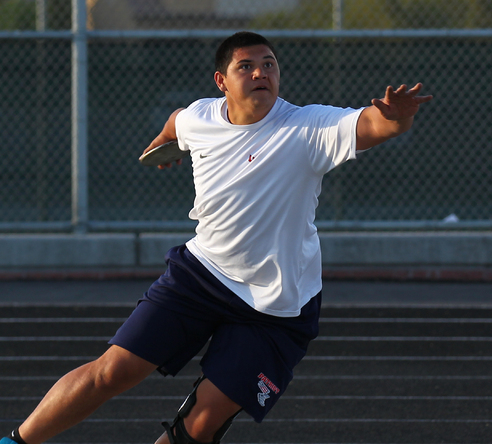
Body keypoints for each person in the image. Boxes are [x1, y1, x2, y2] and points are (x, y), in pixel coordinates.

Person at [2, 31, 432, 444]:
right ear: (221, 81)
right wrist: (165, 143)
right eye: (246, 66)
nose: (261, 73)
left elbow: (376, 125)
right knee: (111, 371)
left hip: (277, 304)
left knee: (201, 425)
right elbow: (177, 124)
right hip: (201, 274)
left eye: (269, 64)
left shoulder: (308, 127)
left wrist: (398, 116)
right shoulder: (200, 117)